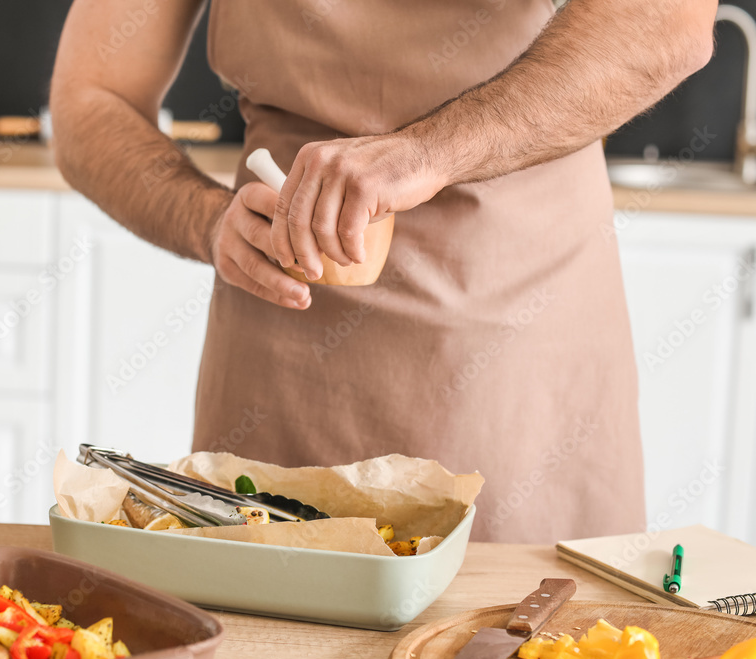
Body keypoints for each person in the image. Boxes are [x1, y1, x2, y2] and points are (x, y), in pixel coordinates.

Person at [51, 0, 718, 543]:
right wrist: (206, 220)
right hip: (278, 352)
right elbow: (91, 96)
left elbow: (666, 20)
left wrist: (430, 152)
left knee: (526, 629)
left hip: (518, 348)